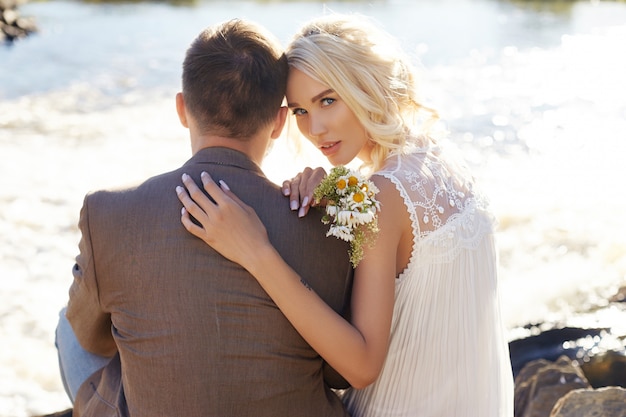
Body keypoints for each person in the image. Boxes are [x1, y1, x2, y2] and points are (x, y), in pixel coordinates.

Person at [176, 13, 514, 417]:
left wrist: (256, 252)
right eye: (299, 111)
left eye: (328, 101)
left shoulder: (380, 199)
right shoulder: (444, 160)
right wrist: (342, 192)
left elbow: (361, 366)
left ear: (364, 86)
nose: (315, 128)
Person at [55, 19, 354, 417]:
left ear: (182, 109)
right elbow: (338, 372)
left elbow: (90, 338)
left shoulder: (108, 212)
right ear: (281, 122)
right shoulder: (325, 220)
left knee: (70, 325)